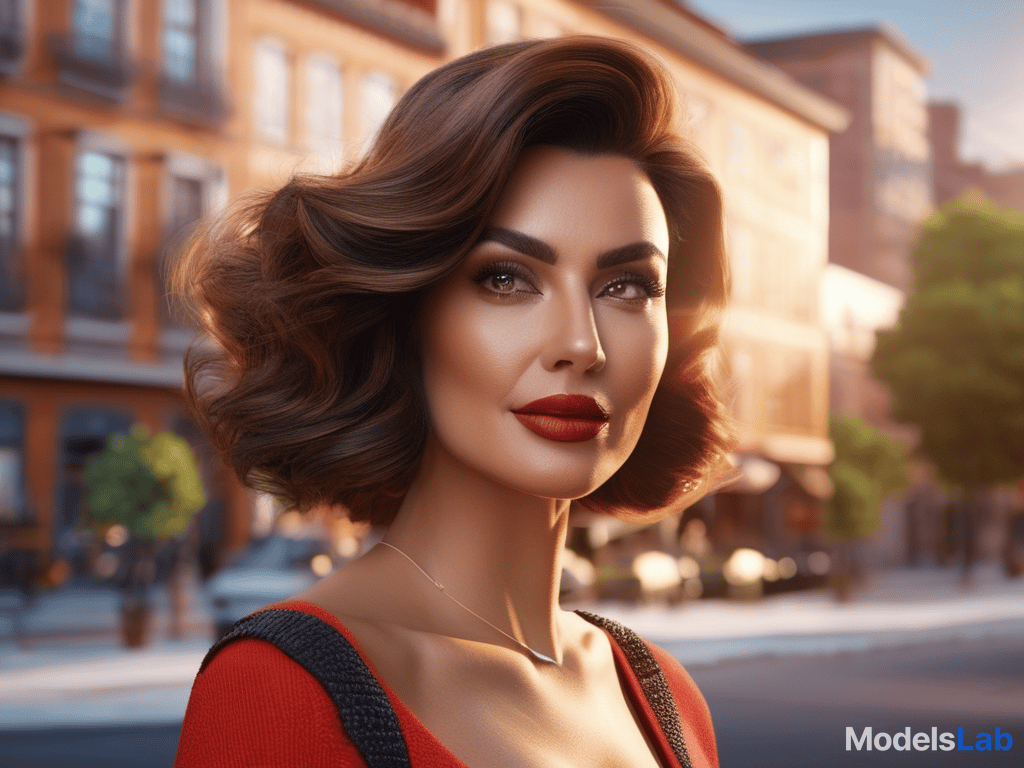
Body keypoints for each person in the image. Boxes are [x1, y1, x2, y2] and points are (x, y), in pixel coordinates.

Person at [174, 36, 733, 768]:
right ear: (406, 312)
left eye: (627, 286)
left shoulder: (666, 695)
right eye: (506, 279)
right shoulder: (279, 695)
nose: (582, 344)